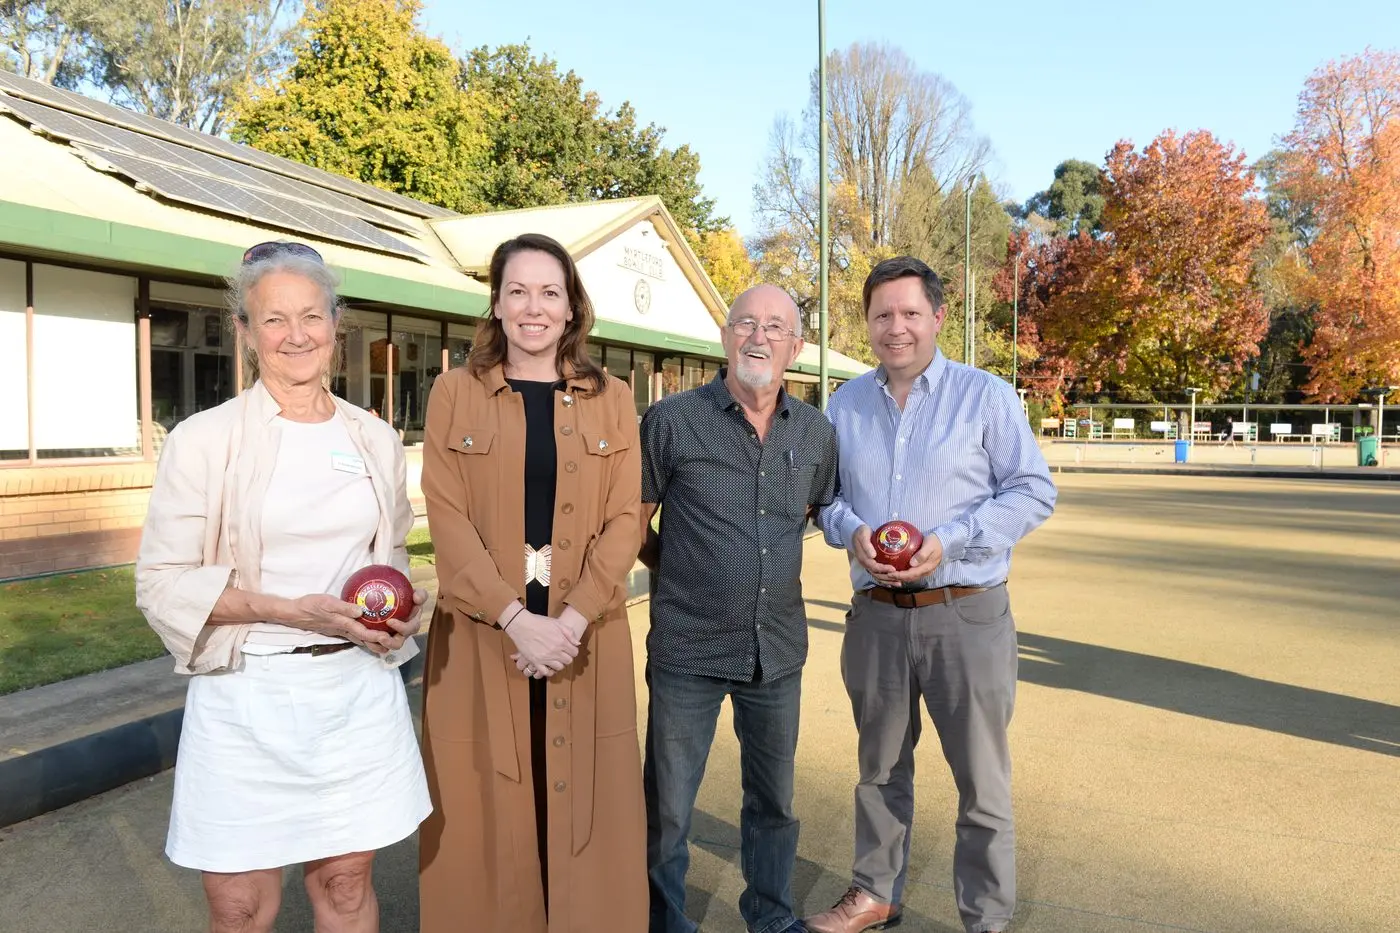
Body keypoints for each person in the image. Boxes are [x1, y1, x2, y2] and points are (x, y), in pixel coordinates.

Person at [135, 240, 430, 933]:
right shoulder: (203, 440)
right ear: (244, 330)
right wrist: (288, 611)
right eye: (274, 319)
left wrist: (401, 613)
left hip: (353, 692)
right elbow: (161, 583)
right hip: (246, 692)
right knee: (238, 906)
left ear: (337, 322)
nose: (296, 334)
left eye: (311, 315)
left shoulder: (374, 439)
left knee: (347, 886)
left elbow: (387, 562)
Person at [807, 257, 1056, 933]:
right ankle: (874, 892)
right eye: (883, 314)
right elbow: (824, 499)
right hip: (877, 619)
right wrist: (852, 531)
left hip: (966, 612)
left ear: (939, 317)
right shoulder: (846, 404)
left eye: (911, 313)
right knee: (878, 770)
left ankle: (988, 919)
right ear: (868, 322)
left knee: (982, 782)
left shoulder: (987, 396)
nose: (897, 328)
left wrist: (948, 539)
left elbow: (1033, 490)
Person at [418, 233, 646, 932]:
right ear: (495, 303)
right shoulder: (453, 393)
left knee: (585, 814)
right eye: (517, 290)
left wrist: (568, 624)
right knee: (486, 812)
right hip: (486, 641)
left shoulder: (612, 398)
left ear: (573, 307)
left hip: (585, 641)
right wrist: (519, 620)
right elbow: (446, 517)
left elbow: (625, 519)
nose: (533, 307)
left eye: (550, 292)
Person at [639, 285, 839, 933]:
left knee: (773, 803)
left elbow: (816, 510)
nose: (759, 336)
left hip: (776, 651)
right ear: (725, 336)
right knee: (669, 807)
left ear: (796, 347)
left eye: (775, 327)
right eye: (746, 322)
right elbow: (632, 523)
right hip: (687, 651)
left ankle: (771, 918)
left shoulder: (815, 431)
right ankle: (667, 922)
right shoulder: (671, 421)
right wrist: (683, 570)